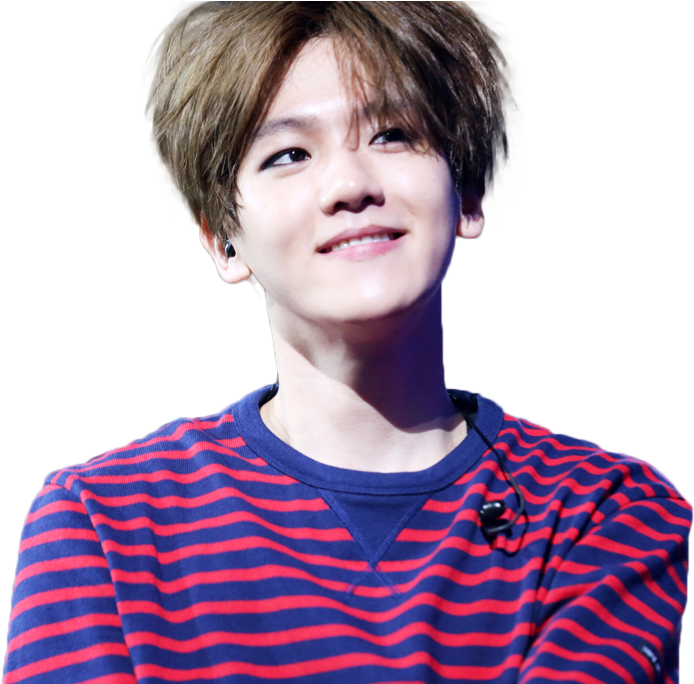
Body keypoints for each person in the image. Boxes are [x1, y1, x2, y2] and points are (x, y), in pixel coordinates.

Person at [4, 2, 691, 683]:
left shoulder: (605, 510)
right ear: (222, 239)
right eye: (288, 154)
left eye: (393, 135)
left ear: (470, 191)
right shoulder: (102, 525)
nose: (350, 186)